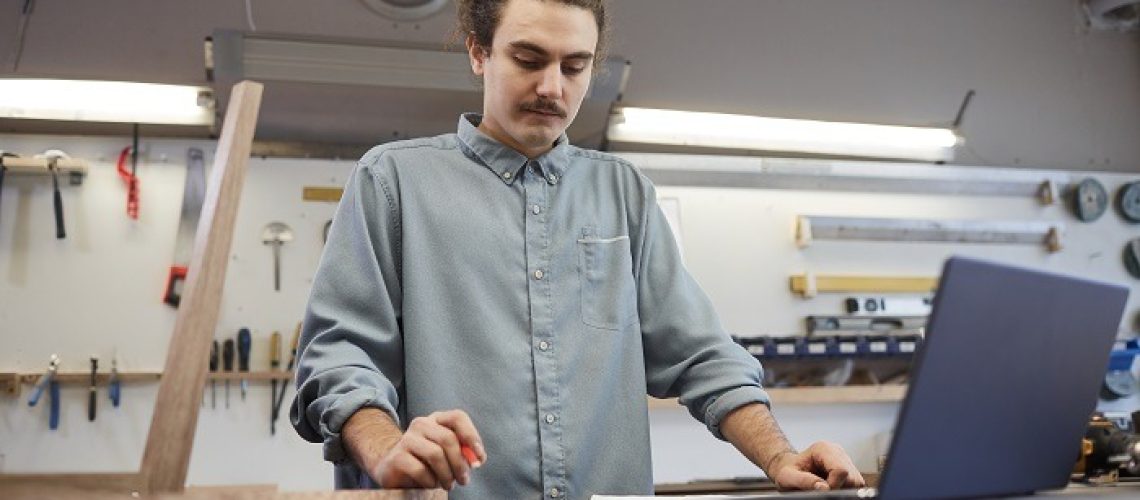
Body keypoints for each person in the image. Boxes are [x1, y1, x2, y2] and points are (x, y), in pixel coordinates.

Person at [291, 0, 866, 497]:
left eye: (575, 66)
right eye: (528, 59)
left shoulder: (625, 194)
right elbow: (337, 357)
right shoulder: (392, 182)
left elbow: (703, 356)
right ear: (478, 52)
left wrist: (780, 456)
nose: (552, 88)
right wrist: (386, 447)